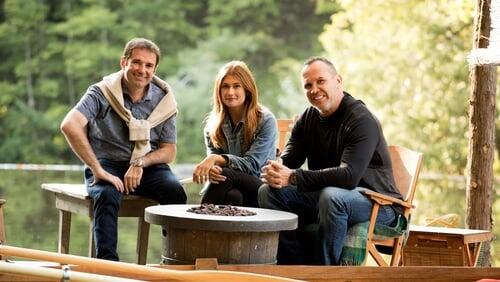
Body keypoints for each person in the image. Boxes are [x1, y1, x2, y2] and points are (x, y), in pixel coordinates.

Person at [259, 57, 402, 265]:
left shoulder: (361, 120)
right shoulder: (308, 118)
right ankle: (293, 267)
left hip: (378, 203)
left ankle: (324, 273)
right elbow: (290, 157)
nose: (314, 89)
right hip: (330, 196)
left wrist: (294, 177)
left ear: (338, 81)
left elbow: (349, 176)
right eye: (308, 85)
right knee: (268, 192)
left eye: (321, 81)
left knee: (332, 196)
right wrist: (275, 169)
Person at [60, 38, 186, 261]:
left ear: (155, 69)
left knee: (174, 190)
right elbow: (69, 125)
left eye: (149, 66)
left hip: (148, 164)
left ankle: (175, 259)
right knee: (107, 195)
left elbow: (169, 152)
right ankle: (109, 267)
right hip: (107, 163)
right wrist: (96, 168)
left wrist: (140, 163)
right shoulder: (102, 92)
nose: (142, 70)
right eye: (136, 62)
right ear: (123, 62)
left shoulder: (164, 99)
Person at [193, 61, 277, 208]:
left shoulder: (265, 120)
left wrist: (216, 159)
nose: (230, 92)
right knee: (233, 196)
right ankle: (214, 230)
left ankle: (195, 227)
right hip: (230, 187)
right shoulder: (212, 125)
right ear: (218, 91)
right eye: (225, 86)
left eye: (236, 86)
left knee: (226, 175)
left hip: (261, 188)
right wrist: (213, 170)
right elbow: (215, 167)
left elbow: (252, 165)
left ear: (247, 89)